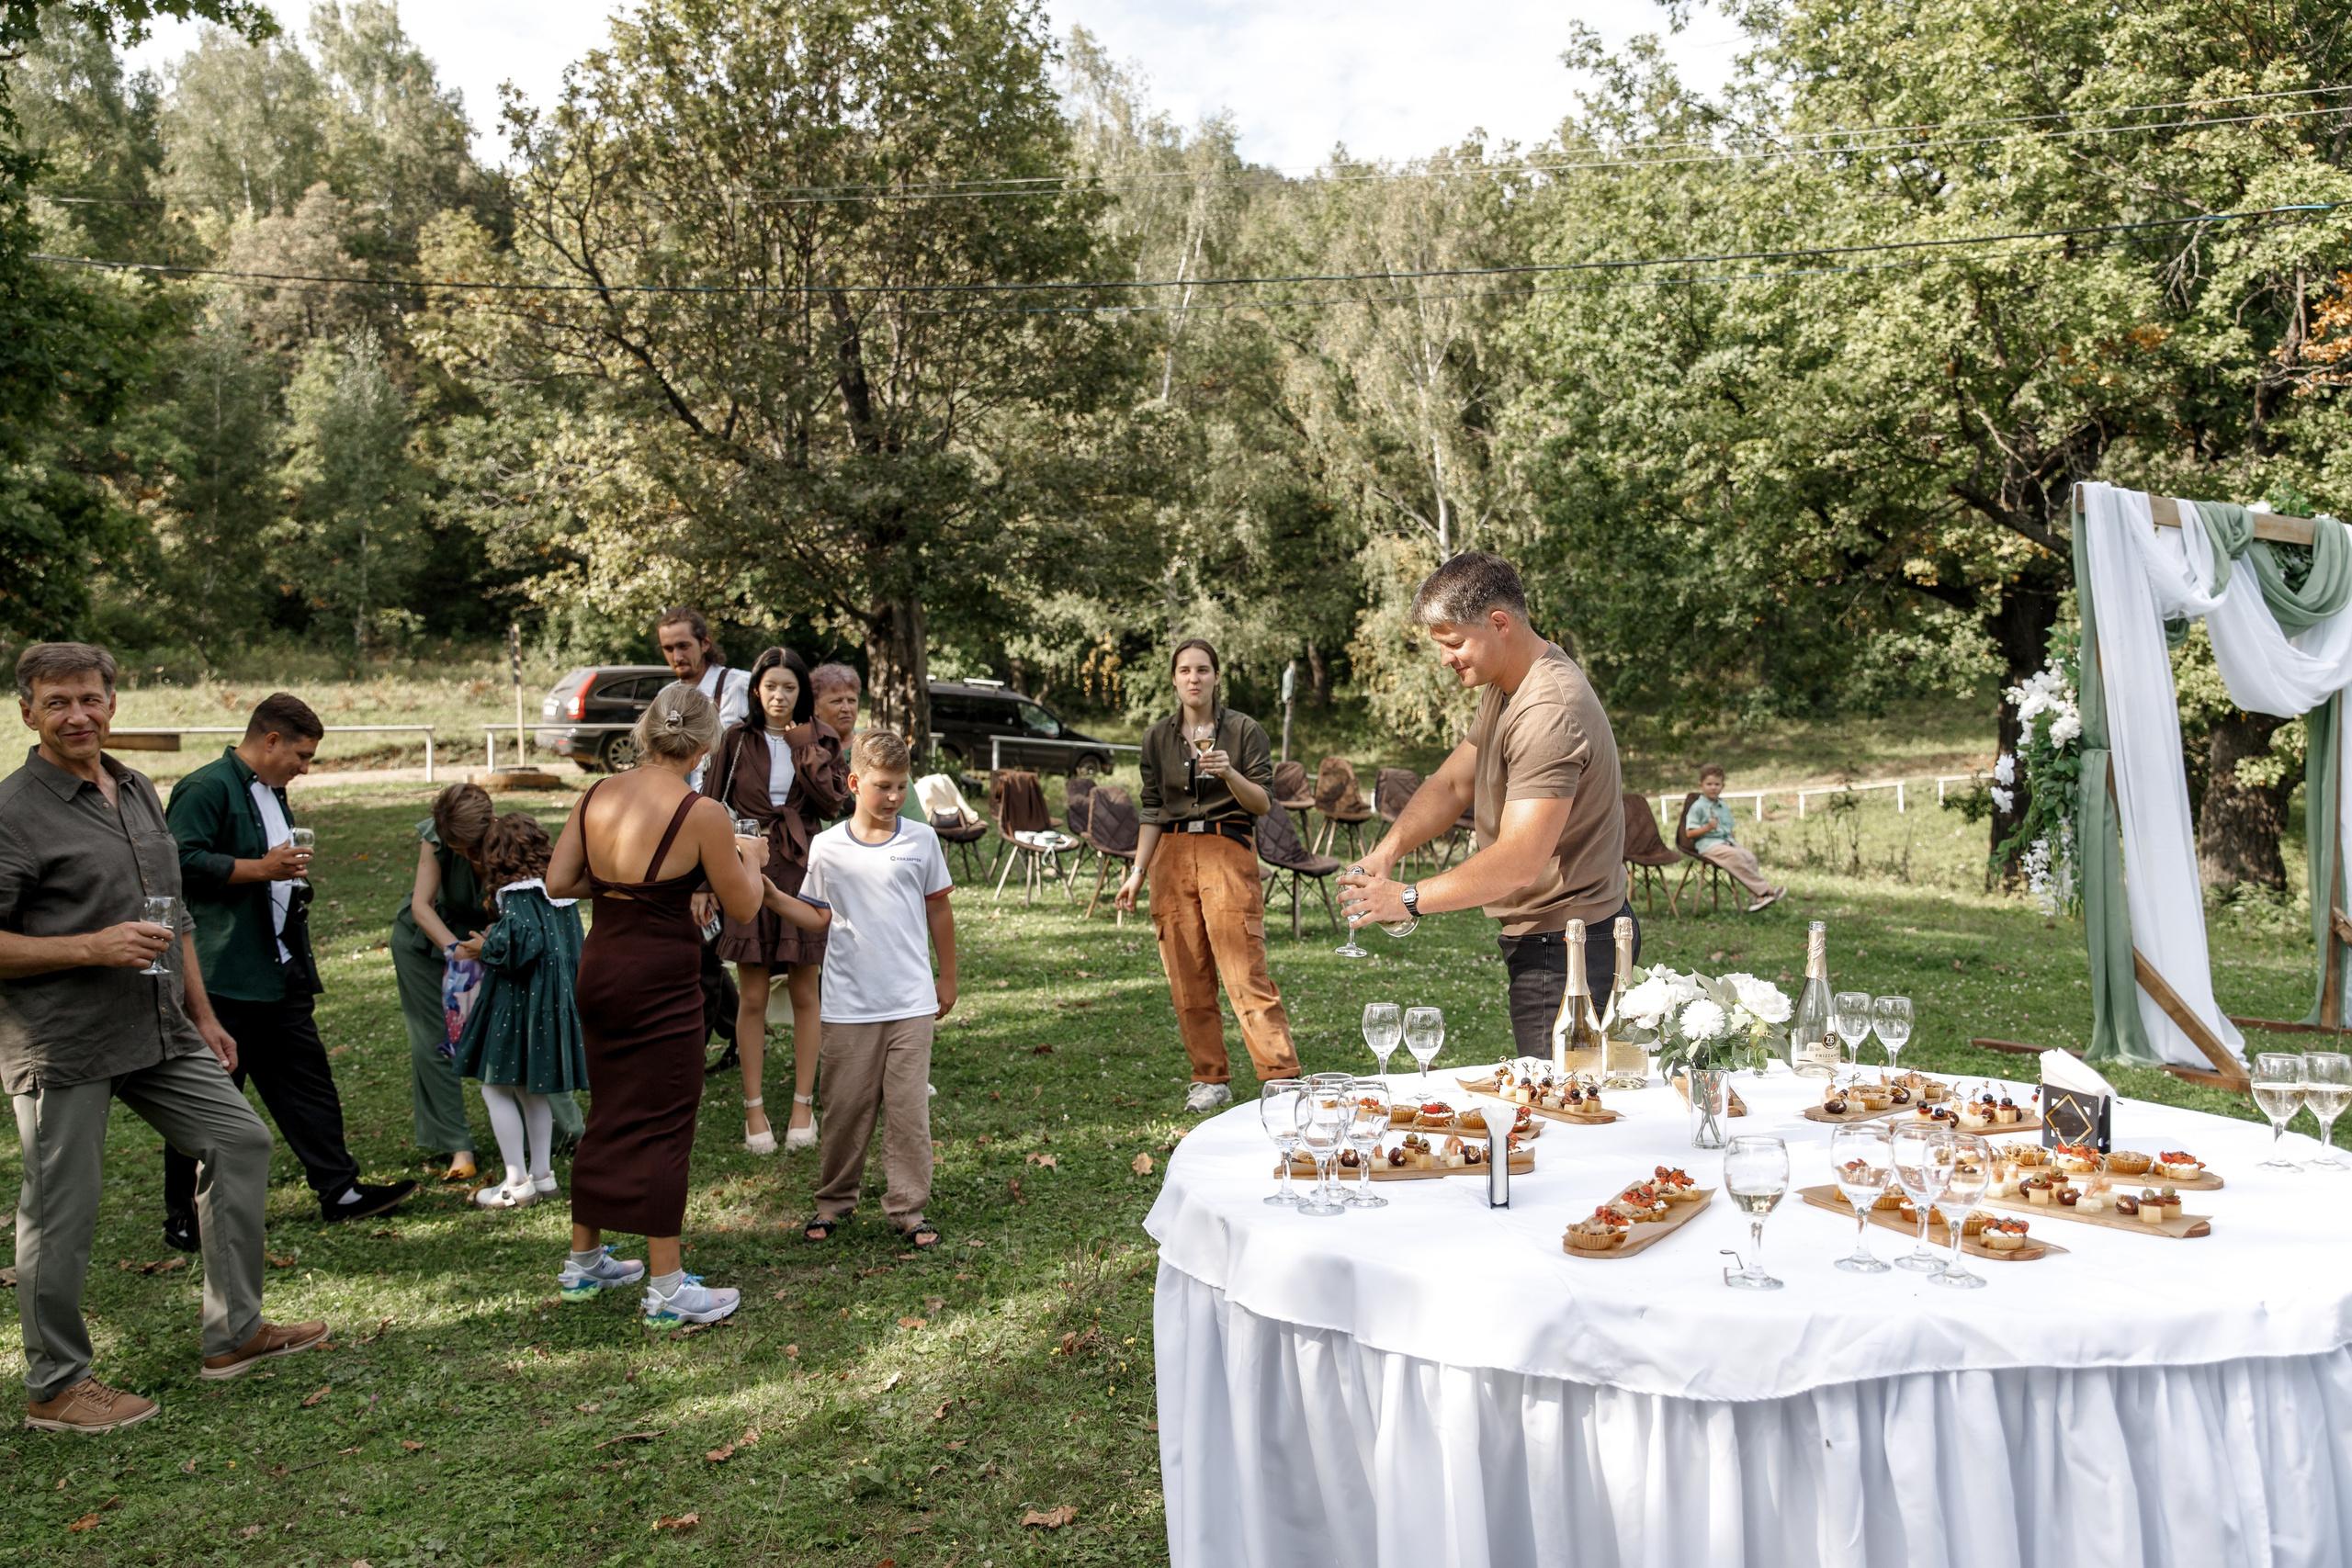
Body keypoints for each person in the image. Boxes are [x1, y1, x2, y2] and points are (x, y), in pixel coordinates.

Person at [3, 643, 325, 1434]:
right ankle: (56, 1384)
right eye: (57, 702)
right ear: (28, 713)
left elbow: (170, 909)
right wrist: (88, 946)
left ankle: (234, 1332)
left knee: (241, 1141)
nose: (77, 714)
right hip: (62, 1039)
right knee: (62, 1209)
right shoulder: (13, 811)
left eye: (90, 698)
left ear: (113, 703)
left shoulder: (138, 787)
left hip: (158, 1025)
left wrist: (204, 1015)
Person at [545, 684, 814, 1326]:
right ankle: (666, 1287)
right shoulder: (703, 813)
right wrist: (750, 858)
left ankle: (584, 1262)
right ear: (705, 743)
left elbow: (560, 881)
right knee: (665, 1120)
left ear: (645, 733)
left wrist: (621, 886)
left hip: (601, 964)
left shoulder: (597, 794)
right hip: (658, 977)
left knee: (609, 1109)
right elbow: (744, 906)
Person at [1339, 553, 1641, 1058]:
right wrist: (1388, 850)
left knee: (1566, 1115)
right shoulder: (1509, 683)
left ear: (1499, 623)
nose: (1445, 659)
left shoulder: (1548, 709)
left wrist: (1405, 899)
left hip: (1571, 951)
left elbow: (1520, 861)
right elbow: (1454, 782)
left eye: (1454, 643)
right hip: (1552, 942)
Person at [161, 694, 414, 1240]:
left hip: (280, 965)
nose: (305, 768)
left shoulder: (272, 792)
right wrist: (261, 868)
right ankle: (184, 1216)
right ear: (269, 740)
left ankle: (340, 1190)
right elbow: (175, 864)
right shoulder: (206, 788)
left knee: (309, 1084)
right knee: (208, 1094)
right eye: (301, 756)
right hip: (224, 972)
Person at [1114, 638, 1302, 1113]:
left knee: (1244, 970)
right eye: (1184, 670)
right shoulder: (1157, 737)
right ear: (1174, 678)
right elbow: (1153, 809)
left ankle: (1281, 1077)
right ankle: (1209, 1078)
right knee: (1186, 975)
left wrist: (1229, 774)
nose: (1193, 678)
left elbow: (1261, 802)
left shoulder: (1244, 731)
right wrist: (1137, 873)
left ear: (1217, 677)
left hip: (1227, 848)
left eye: (1202, 669)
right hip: (1171, 857)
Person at [798, 729, 955, 1248]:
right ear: (854, 782)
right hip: (848, 1005)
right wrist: (767, 897)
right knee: (844, 1108)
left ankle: (909, 1209)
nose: (893, 798)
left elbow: (939, 908)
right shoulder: (826, 847)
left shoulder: (921, 840)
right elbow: (816, 917)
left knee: (909, 1110)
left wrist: (947, 976)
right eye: (882, 787)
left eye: (900, 787)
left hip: (910, 999)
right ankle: (834, 1201)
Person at [710, 647, 845, 1154]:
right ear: (756, 691)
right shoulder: (736, 740)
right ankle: (754, 1113)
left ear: (801, 693)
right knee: (752, 996)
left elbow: (834, 803)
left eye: (789, 687)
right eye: (771, 686)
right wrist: (707, 882)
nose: (779, 696)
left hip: (805, 870)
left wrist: (806, 748)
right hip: (748, 868)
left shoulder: (822, 739)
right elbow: (708, 804)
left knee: (808, 993)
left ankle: (802, 1108)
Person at [457, 813, 591, 1211]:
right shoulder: (559, 894)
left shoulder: (517, 895)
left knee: (494, 1087)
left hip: (521, 1006)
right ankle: (543, 1175)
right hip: (555, 1005)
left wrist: (484, 946)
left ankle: (516, 1180)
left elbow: (521, 942)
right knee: (531, 1089)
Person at [656, 606, 751, 789]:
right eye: (668, 648)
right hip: (681, 806)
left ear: (705, 643)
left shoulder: (742, 684)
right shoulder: (664, 698)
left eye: (683, 646)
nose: (677, 656)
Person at [1684, 764, 1785, 911]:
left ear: (1722, 786)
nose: (1713, 787)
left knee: (1749, 857)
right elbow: (1689, 834)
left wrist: (1734, 842)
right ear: (1701, 785)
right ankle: (1765, 890)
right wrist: (1708, 828)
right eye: (1709, 784)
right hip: (1708, 846)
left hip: (1726, 843)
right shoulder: (1697, 807)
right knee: (1735, 855)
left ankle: (1755, 899)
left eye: (1717, 784)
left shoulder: (1723, 806)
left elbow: (1729, 829)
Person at [808, 662, 862, 751]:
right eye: (837, 701)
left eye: (851, 701)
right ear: (815, 707)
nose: (846, 709)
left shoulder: (873, 744)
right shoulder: (805, 748)